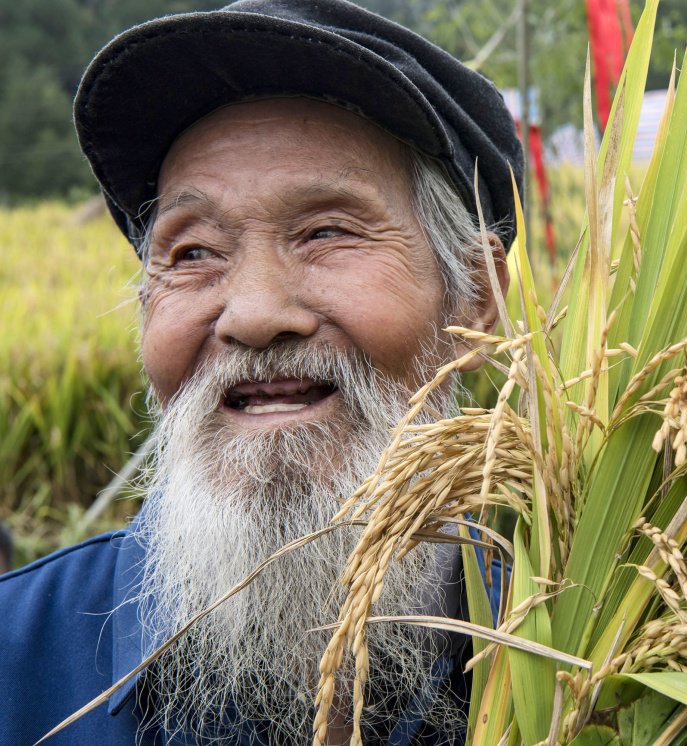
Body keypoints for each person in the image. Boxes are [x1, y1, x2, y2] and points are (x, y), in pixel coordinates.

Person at [0, 1, 521, 744]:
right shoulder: (15, 661)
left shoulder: (599, 660)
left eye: (327, 232)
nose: (252, 314)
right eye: (193, 253)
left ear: (475, 295)